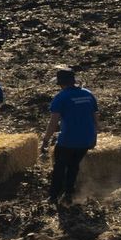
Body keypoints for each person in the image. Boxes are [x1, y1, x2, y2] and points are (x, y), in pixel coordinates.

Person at [41, 67, 99, 208]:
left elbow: (53, 122)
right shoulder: (88, 94)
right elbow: (95, 119)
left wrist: (45, 140)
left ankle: (53, 197)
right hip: (86, 140)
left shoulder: (61, 97)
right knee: (73, 166)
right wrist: (94, 137)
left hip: (68, 140)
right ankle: (68, 194)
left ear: (60, 83)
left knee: (59, 168)